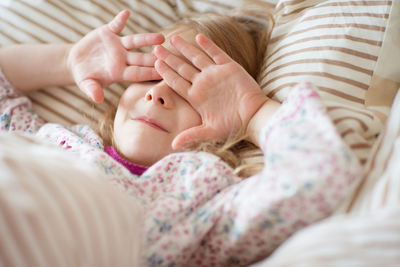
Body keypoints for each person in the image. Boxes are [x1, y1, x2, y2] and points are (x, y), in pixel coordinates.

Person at [0, 7, 361, 267]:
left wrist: (251, 111)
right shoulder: (56, 139)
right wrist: (66, 62)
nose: (156, 94)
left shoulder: (200, 197)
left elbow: (320, 177)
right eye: (146, 78)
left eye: (189, 91)